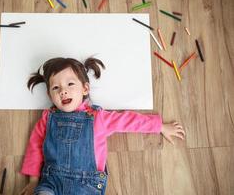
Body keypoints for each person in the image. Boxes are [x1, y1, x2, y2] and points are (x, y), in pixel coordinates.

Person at [19, 57, 185, 195]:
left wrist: (160, 126)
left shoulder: (98, 118)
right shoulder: (48, 119)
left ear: (85, 89)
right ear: (50, 95)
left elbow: (128, 121)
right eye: (56, 87)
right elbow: (35, 147)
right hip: (51, 182)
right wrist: (33, 180)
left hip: (85, 185)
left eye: (70, 84)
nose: (63, 91)